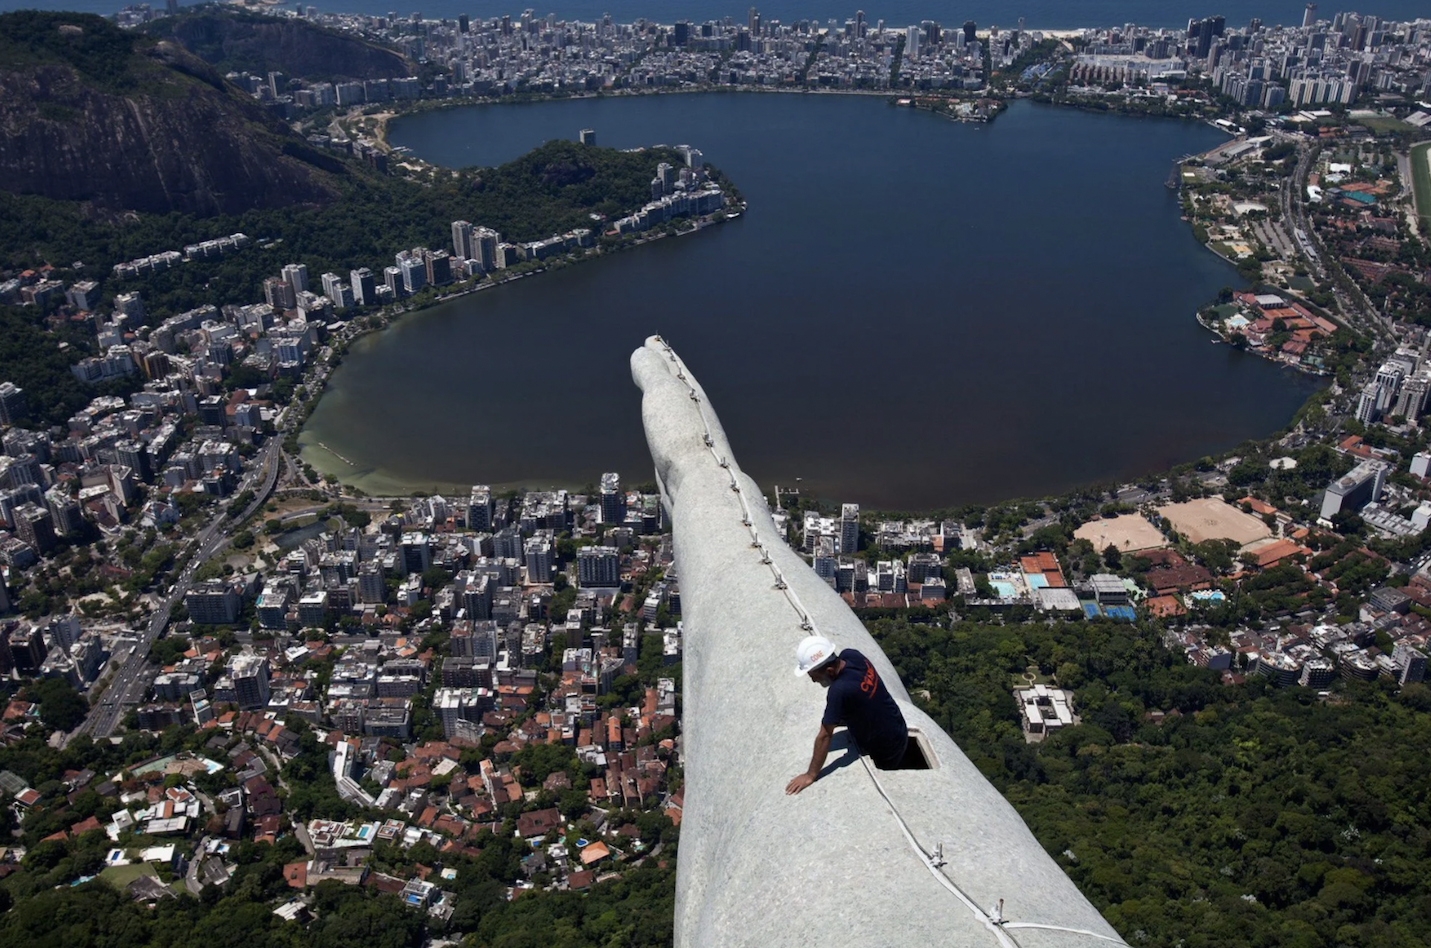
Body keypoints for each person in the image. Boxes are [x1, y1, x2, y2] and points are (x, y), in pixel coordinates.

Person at [786, 635, 908, 794]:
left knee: (889, 789)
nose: (813, 681)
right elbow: (863, 697)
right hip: (897, 726)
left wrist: (810, 775)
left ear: (829, 671)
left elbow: (825, 735)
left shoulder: (839, 690)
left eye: (814, 676)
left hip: (887, 749)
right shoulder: (852, 655)